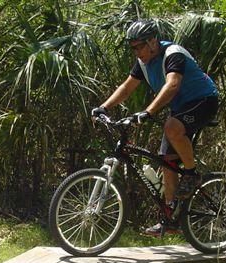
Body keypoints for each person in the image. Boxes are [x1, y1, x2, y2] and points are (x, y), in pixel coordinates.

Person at [91, 19, 219, 237]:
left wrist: (148, 112)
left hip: (204, 100)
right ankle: (169, 220)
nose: (135, 52)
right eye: (132, 47)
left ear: (152, 41)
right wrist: (103, 107)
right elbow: (126, 87)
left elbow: (173, 84)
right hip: (181, 107)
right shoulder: (143, 62)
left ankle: (192, 174)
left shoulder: (173, 53)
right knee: (166, 161)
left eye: (138, 46)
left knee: (172, 127)